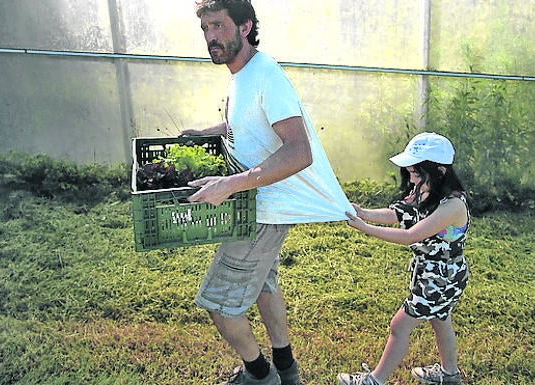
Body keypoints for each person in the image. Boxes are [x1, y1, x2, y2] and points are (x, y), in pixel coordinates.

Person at [182, 1, 354, 384]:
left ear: (244, 27)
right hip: (256, 204)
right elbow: (243, 124)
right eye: (205, 29)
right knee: (263, 285)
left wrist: (230, 184)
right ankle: (287, 368)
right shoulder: (242, 74)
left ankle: (260, 375)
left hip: (264, 210)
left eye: (218, 26)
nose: (211, 37)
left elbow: (299, 150)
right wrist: (210, 132)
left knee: (219, 304)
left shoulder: (266, 75)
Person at [338, 132, 470, 385]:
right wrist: (362, 212)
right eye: (409, 171)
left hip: (442, 278)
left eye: (416, 172)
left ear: (440, 171)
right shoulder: (423, 189)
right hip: (430, 273)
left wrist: (364, 227)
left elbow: (410, 235)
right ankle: (450, 375)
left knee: (399, 326)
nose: (411, 178)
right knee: (440, 321)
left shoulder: (452, 206)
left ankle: (374, 381)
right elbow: (397, 213)